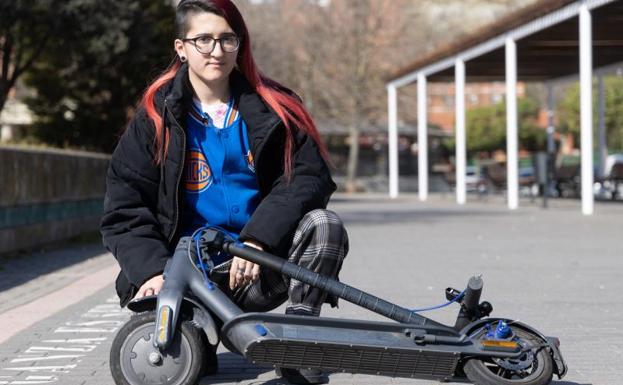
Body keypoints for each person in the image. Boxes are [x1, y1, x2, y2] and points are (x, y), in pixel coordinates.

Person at [100, 0, 348, 383]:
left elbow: (309, 178)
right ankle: (197, 336)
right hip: (186, 274)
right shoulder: (154, 119)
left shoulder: (276, 107)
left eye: (227, 39)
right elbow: (124, 208)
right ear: (181, 48)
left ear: (240, 43)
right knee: (191, 363)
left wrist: (259, 240)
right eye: (203, 40)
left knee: (324, 224)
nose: (217, 51)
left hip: (256, 267)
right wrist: (149, 270)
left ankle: (298, 341)